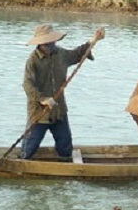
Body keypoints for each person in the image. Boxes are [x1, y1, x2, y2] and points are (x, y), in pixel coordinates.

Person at [21, 24, 105, 160]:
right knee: (29, 147)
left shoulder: (61, 54)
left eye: (52, 42)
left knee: (65, 145)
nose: (50, 45)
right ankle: (23, 164)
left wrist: (93, 40)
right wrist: (42, 98)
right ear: (40, 44)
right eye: (47, 44)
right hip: (39, 112)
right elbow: (27, 85)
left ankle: (65, 167)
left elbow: (76, 54)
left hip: (58, 109)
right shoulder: (33, 61)